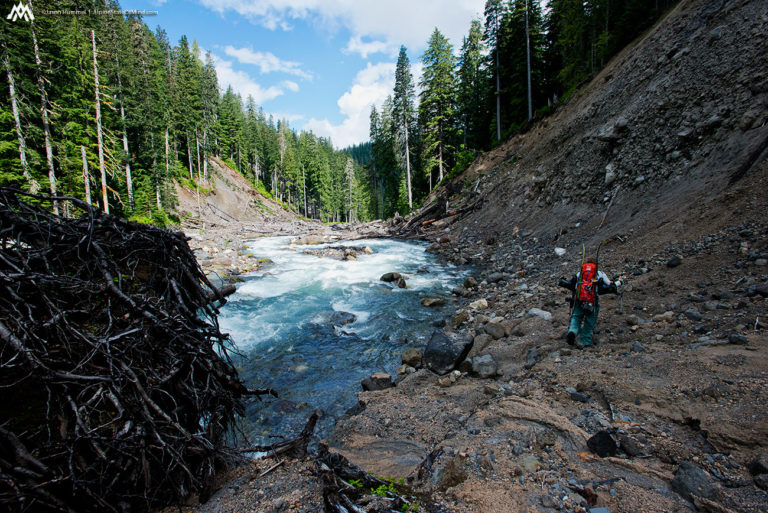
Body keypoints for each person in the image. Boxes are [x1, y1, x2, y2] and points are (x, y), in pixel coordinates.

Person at [558, 257, 622, 348]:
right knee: (589, 321)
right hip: (592, 301)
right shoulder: (599, 273)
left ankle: (572, 331)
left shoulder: (580, 273)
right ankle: (585, 341)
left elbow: (572, 284)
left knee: (576, 317)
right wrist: (620, 282)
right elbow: (610, 285)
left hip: (579, 300)